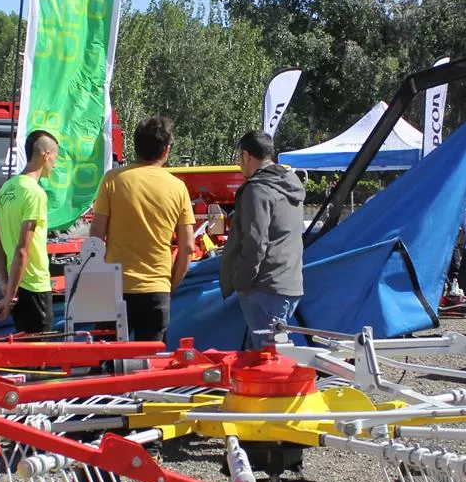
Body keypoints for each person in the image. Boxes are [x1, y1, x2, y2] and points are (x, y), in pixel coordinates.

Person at [90, 116, 195, 342]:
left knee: (107, 359)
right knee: (149, 361)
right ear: (166, 150)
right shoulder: (178, 188)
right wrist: (169, 285)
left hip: (114, 288)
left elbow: (95, 238)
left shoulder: (112, 180)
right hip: (156, 289)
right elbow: (187, 247)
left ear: (135, 145)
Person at [218, 131, 305, 346]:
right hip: (288, 283)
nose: (239, 165)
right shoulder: (290, 182)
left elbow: (255, 243)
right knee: (266, 353)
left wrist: (241, 283)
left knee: (268, 357)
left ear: (247, 156)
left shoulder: (257, 189)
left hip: (264, 288)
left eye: (240, 158)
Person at [0, 131, 58, 333]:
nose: (55, 165)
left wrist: (7, 287)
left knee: (23, 346)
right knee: (41, 348)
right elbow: (23, 249)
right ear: (46, 155)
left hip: (16, 286)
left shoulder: (6, 188)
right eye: (55, 158)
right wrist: (9, 296)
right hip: (35, 286)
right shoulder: (35, 193)